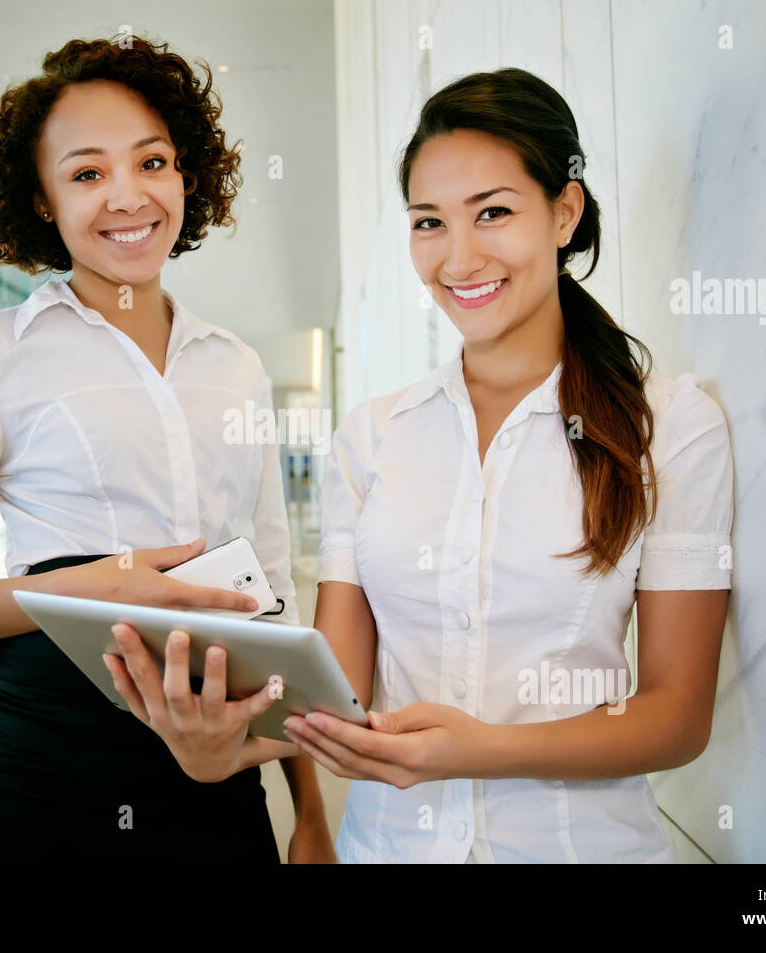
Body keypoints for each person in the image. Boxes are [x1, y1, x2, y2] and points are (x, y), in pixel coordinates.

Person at [0, 34, 334, 863]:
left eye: (153, 162)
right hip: (47, 756)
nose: (128, 197)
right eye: (87, 173)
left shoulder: (235, 366)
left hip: (218, 751)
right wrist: (87, 588)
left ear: (187, 175)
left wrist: (309, 811)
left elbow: (272, 598)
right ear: (41, 200)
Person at [280, 68, 735, 862]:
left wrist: (477, 749)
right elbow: (339, 696)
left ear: (565, 211)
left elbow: (678, 714)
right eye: (429, 222)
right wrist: (225, 718)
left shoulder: (671, 426)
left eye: (492, 212)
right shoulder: (371, 435)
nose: (458, 258)